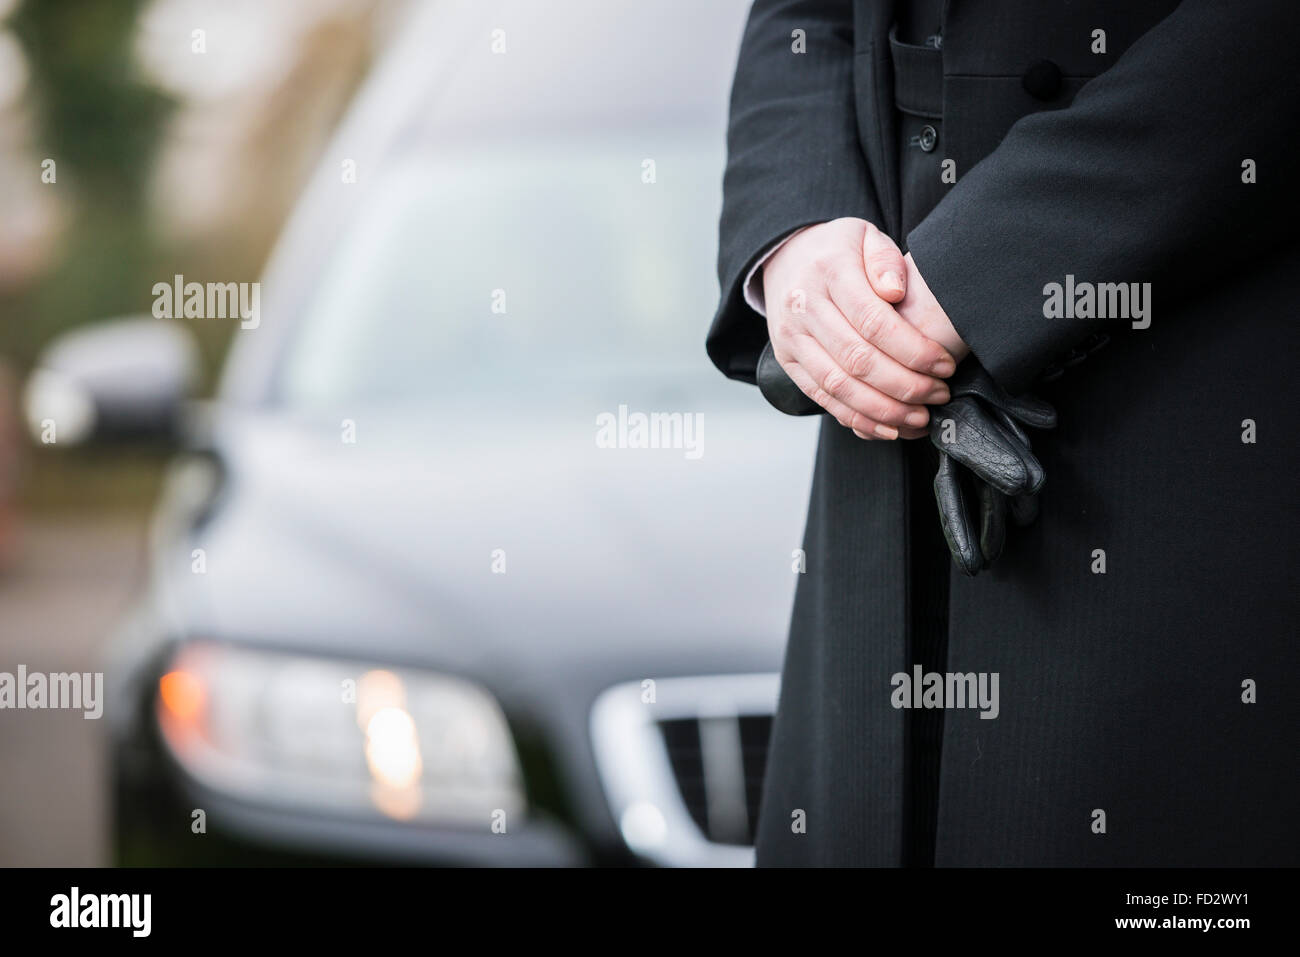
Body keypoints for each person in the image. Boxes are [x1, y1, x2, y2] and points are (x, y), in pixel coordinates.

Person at [708, 0, 1299, 866]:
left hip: (1190, 396)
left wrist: (981, 275)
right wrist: (796, 233)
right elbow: (802, 17)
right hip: (875, 437)